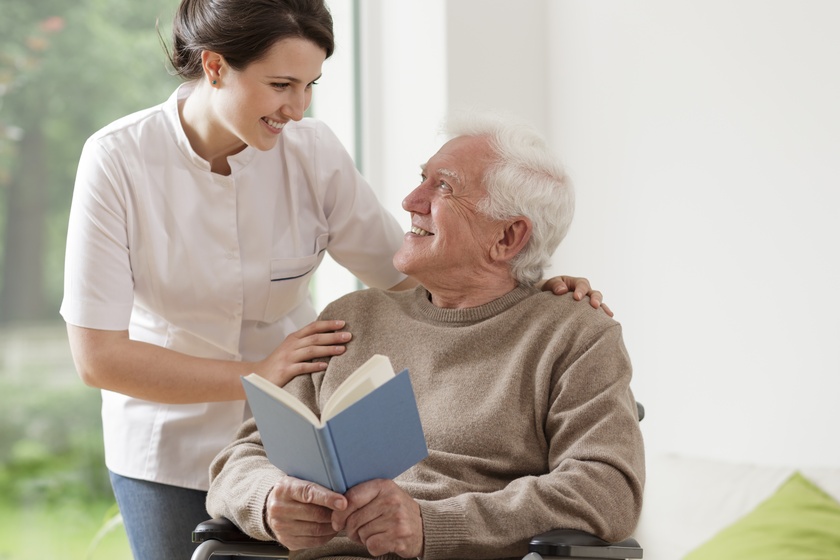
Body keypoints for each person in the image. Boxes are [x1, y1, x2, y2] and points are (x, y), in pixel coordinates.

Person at [59, 1, 607, 558]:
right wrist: (260, 374)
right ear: (216, 67)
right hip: (169, 438)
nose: (296, 108)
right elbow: (98, 358)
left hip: (299, 437)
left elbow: (418, 275)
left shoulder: (312, 153)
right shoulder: (117, 161)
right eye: (281, 84)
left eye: (310, 84)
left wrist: (536, 293)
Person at [206, 111, 645, 560]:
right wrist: (269, 499)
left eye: (443, 187)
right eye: (422, 178)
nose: (410, 200)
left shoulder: (575, 334)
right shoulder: (351, 318)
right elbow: (239, 460)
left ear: (508, 237)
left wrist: (431, 524)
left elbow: (607, 490)